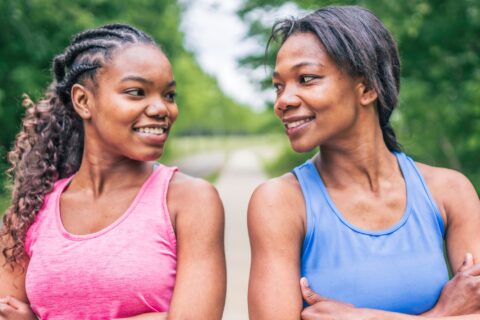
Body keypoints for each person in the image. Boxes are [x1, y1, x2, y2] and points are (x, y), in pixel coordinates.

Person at [247, 6, 480, 320]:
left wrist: (364, 317)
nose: (282, 101)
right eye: (279, 86)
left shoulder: (450, 192)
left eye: (306, 79)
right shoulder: (280, 203)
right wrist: (443, 314)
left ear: (368, 88)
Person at [0, 24, 226, 319]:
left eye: (169, 95)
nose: (162, 109)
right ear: (83, 101)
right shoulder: (29, 211)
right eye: (136, 92)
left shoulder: (189, 200)